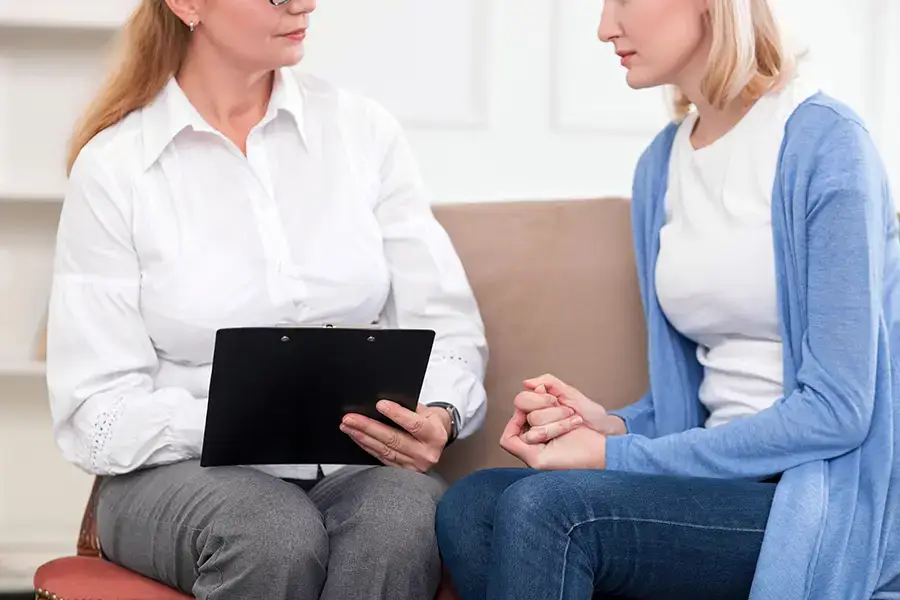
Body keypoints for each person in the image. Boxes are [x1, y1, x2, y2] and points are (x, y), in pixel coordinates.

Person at [435, 0, 900, 599]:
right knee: (472, 505)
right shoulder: (662, 164)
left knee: (549, 509)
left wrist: (614, 456)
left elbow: (838, 412)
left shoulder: (825, 143)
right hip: (710, 486)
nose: (605, 27)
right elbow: (695, 399)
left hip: (809, 500)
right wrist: (610, 425)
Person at [46, 1, 488, 599]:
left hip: (352, 464)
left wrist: (440, 412)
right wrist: (241, 419)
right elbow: (93, 411)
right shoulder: (116, 167)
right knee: (271, 528)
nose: (301, 3)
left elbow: (445, 326)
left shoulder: (362, 132)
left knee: (402, 516)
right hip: (175, 475)